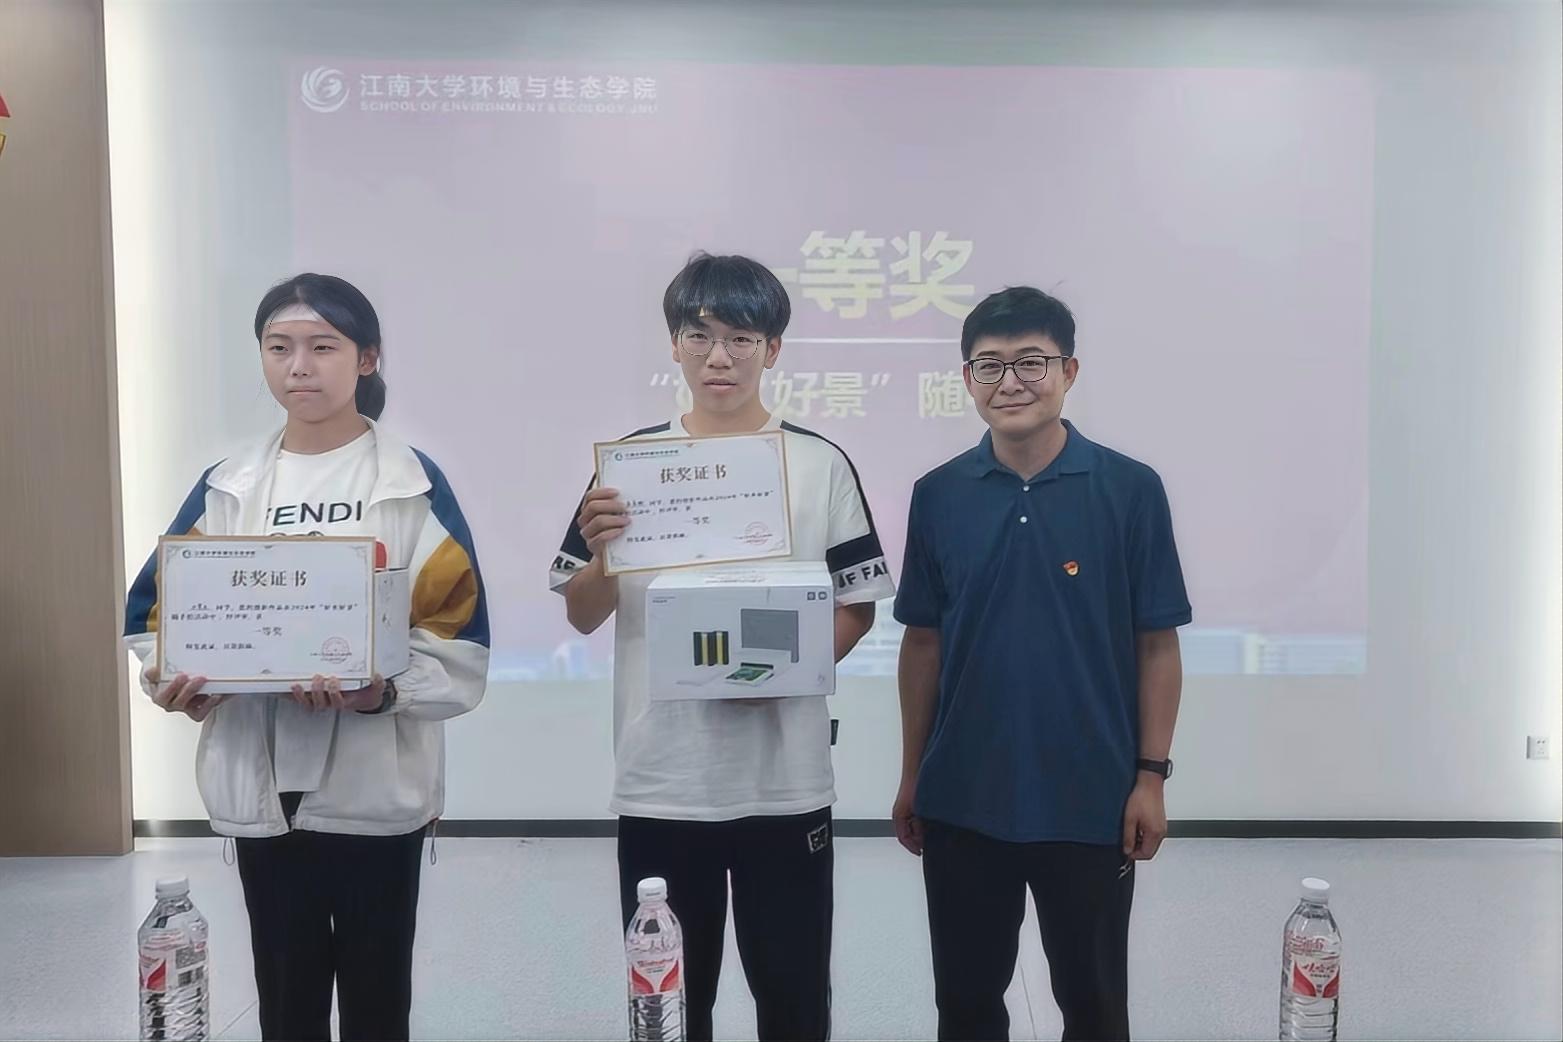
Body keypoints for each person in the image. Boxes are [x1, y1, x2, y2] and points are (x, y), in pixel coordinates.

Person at [123, 273, 490, 1042]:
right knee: (285, 1002)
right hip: (262, 794)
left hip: (376, 792)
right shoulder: (226, 487)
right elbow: (156, 616)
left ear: (366, 358)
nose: (299, 366)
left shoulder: (412, 485)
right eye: (279, 347)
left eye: (323, 346)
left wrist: (379, 693)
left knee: (377, 1002)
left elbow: (459, 644)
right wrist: (181, 683)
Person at [550, 252, 895, 1041]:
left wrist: (781, 671)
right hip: (662, 781)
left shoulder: (818, 463)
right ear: (673, 344)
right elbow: (581, 614)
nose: (719, 357)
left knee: (795, 1000)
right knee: (669, 1007)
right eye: (700, 336)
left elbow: (856, 606)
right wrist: (600, 555)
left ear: (773, 350)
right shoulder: (629, 468)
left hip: (784, 781)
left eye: (742, 338)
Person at [891, 286, 1191, 1041]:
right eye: (989, 365)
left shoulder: (1130, 489)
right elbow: (923, 643)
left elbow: (1156, 644)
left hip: (1090, 797)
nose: (1011, 381)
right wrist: (912, 774)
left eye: (1031, 361)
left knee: (1093, 1004)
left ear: (1068, 371)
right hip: (963, 797)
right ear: (967, 379)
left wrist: (1150, 778)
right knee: (965, 1006)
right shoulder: (938, 495)